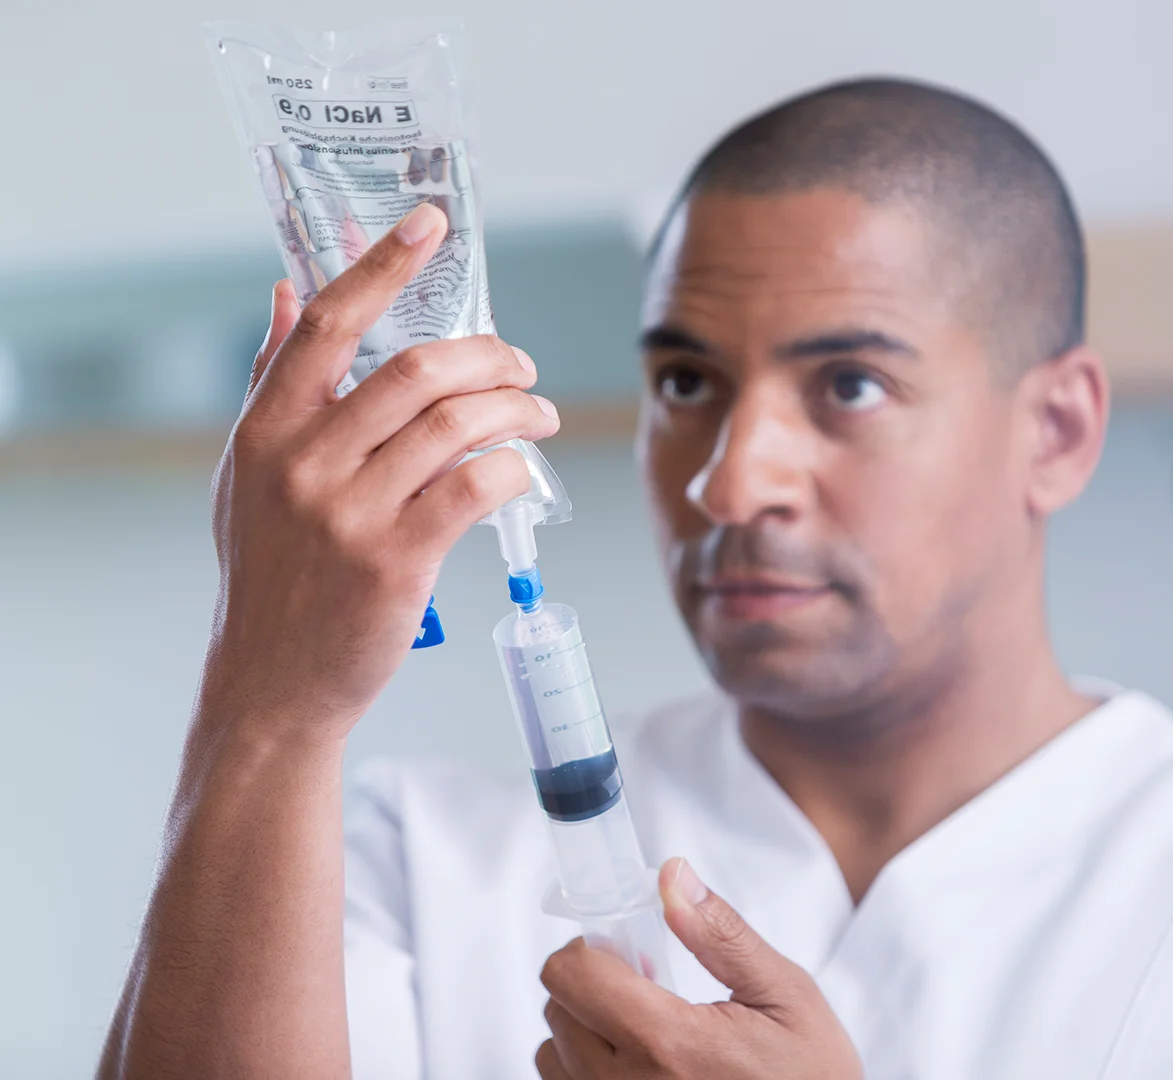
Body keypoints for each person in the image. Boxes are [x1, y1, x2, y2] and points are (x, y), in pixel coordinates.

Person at [97, 78, 1173, 1080]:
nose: (729, 479)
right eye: (687, 380)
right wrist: (269, 706)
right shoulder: (423, 866)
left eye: (850, 383)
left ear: (1058, 432)